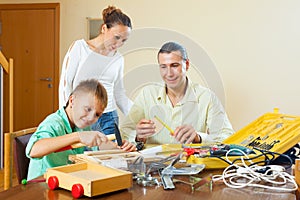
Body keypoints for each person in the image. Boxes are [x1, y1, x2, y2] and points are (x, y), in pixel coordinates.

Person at [121, 42, 234, 148]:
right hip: (153, 166)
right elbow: (124, 133)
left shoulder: (206, 97)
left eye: (174, 65)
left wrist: (198, 137)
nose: (169, 73)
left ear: (187, 65)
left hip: (191, 165)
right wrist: (138, 136)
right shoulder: (147, 94)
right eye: (163, 67)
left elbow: (228, 137)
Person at [26, 79, 136, 180]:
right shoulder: (53, 124)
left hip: (67, 180)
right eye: (87, 109)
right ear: (72, 100)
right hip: (42, 185)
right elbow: (33, 150)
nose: (91, 118)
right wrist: (78, 137)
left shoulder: (82, 125)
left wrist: (119, 149)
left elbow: (98, 146)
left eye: (97, 115)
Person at [59, 5, 133, 137]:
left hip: (109, 118)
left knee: (111, 157)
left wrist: (139, 115)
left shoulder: (118, 59)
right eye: (116, 37)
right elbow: (65, 85)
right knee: (83, 157)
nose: (118, 44)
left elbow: (119, 94)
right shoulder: (80, 48)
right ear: (104, 28)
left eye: (124, 41)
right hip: (82, 116)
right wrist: (66, 119)